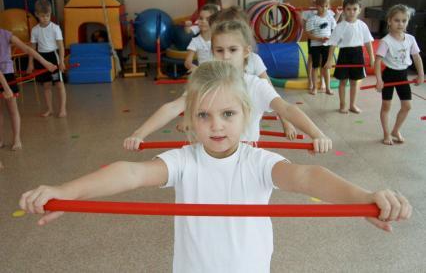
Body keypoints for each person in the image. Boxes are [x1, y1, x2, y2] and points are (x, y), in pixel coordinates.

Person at [20, 61, 412, 273]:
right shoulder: (184, 160)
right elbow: (131, 172)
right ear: (189, 120)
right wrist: (67, 191)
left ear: (246, 115)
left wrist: (362, 198)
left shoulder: (258, 161)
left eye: (227, 113)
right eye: (203, 115)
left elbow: (307, 176)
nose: (216, 125)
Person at [124, 20, 332, 151]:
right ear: (212, 51)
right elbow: (173, 107)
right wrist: (139, 133)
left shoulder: (255, 85)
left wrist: (317, 134)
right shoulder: (204, 82)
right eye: (219, 50)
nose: (225, 56)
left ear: (246, 51)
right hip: (208, 153)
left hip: (245, 155)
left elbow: (286, 108)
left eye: (232, 50)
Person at [375, 4, 424, 145]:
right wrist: (379, 80)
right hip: (389, 75)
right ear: (389, 21)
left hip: (403, 75)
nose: (400, 24)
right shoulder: (386, 41)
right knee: (386, 106)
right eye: (397, 20)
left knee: (407, 106)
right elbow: (377, 62)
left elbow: (416, 57)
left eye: (404, 20)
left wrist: (421, 75)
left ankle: (395, 130)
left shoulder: (410, 39)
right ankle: (386, 134)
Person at [0, 28, 56, 150]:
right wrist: (6, 88)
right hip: (3, 79)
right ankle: (0, 140)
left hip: (7, 74)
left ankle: (17, 139)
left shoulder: (6, 34)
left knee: (12, 110)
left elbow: (27, 49)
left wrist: (45, 63)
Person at [325, 0, 374, 114]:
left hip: (357, 54)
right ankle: (342, 104)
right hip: (344, 55)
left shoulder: (362, 25)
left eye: (354, 9)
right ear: (344, 10)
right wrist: (329, 60)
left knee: (354, 81)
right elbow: (333, 45)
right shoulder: (340, 26)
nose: (351, 12)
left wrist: (372, 58)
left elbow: (368, 43)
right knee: (343, 81)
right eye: (348, 9)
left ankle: (352, 105)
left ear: (359, 10)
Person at [209, 6, 271, 82]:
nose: (226, 56)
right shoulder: (214, 63)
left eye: (233, 49)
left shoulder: (254, 60)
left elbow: (268, 86)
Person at [27, 0, 67, 118]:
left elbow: (60, 46)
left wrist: (61, 61)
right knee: (46, 86)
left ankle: (63, 109)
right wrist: (30, 63)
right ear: (37, 14)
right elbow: (32, 48)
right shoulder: (35, 30)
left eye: (48, 15)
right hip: (41, 58)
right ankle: (50, 109)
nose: (45, 18)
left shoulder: (55, 28)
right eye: (43, 16)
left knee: (59, 85)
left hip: (53, 56)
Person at [300, 0, 342, 92]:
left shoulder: (328, 12)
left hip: (325, 42)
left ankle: (323, 82)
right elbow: (305, 28)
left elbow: (331, 25)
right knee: (312, 60)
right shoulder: (307, 12)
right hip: (314, 41)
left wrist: (338, 14)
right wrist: (299, 16)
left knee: (324, 64)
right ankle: (311, 81)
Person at [305, 0, 336, 95]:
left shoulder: (330, 18)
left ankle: (328, 88)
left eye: (326, 6)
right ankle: (314, 87)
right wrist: (319, 39)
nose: (324, 8)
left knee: (326, 67)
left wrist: (330, 39)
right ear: (317, 6)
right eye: (322, 6)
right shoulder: (312, 19)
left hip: (326, 46)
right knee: (315, 67)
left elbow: (334, 31)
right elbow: (309, 34)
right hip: (315, 46)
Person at [184, 4, 219, 73]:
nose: (203, 21)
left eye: (208, 19)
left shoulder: (219, 39)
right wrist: (198, 70)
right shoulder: (195, 41)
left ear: (215, 22)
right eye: (201, 18)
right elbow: (187, 63)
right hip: (203, 75)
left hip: (218, 74)